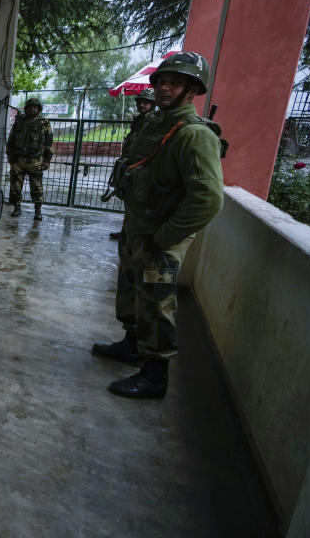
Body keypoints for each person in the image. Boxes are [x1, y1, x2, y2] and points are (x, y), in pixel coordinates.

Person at [92, 52, 224, 398]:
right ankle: (132, 344)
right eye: (162, 81)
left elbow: (208, 199)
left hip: (161, 236)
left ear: (193, 89)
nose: (165, 88)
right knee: (132, 291)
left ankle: (155, 375)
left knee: (156, 302)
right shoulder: (156, 123)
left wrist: (164, 238)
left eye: (175, 82)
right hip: (138, 226)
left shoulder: (194, 135)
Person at [109, 87, 157, 239]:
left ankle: (132, 234)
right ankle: (126, 231)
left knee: (138, 204)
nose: (142, 105)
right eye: (140, 102)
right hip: (132, 166)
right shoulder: (139, 120)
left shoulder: (154, 121)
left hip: (143, 169)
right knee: (129, 201)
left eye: (146, 102)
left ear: (153, 104)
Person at [6, 98, 53, 220]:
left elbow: (49, 142)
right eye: (30, 107)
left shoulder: (44, 123)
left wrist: (47, 160)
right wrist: (10, 157)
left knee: (37, 187)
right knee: (15, 186)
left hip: (35, 160)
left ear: (39, 109)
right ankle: (16, 208)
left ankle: (38, 211)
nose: (33, 109)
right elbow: (11, 140)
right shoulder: (19, 122)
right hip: (18, 160)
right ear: (26, 108)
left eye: (35, 107)